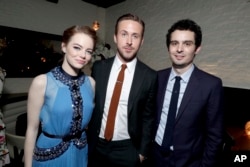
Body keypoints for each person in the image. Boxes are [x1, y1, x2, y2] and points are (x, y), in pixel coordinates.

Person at [87, 13, 157, 167]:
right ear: (115, 37)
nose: (129, 41)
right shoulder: (99, 68)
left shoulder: (150, 76)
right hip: (96, 146)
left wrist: (142, 152)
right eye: (124, 34)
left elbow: (148, 117)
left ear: (142, 41)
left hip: (128, 150)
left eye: (135, 36)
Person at [153, 19, 224, 167]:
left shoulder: (211, 85)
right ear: (168, 47)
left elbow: (215, 136)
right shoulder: (156, 78)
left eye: (187, 44)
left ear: (197, 48)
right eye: (174, 43)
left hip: (189, 162)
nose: (179, 49)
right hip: (155, 157)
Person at [24, 25, 97, 167]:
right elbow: (31, 130)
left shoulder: (91, 83)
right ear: (64, 46)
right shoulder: (42, 82)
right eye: (77, 47)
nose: (83, 55)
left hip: (80, 152)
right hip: (49, 155)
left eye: (88, 51)